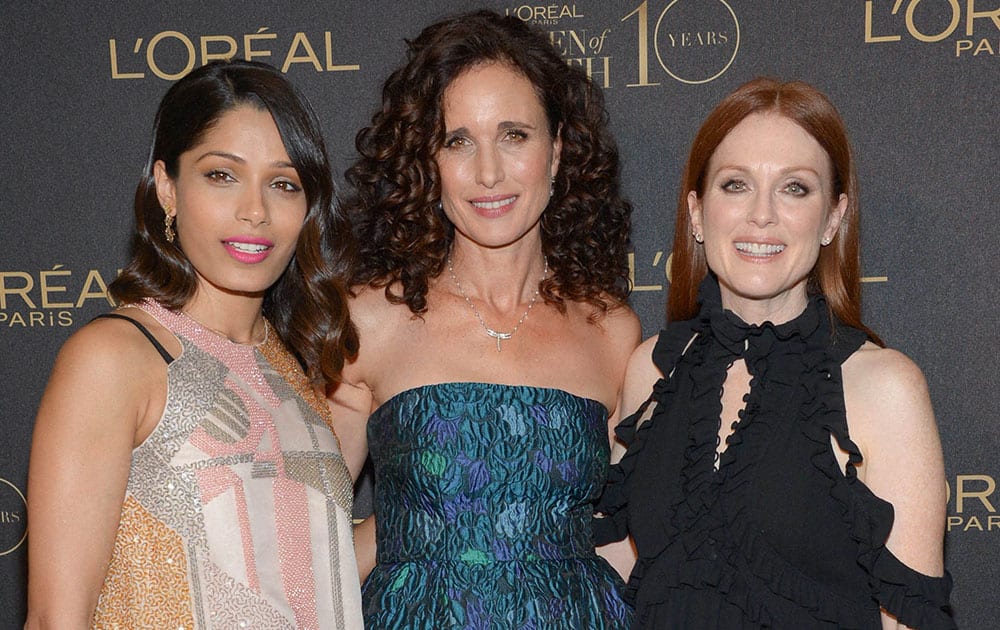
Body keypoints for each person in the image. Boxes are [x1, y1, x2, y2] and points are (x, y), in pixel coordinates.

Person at [595, 77, 955, 629]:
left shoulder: (884, 389)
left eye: (794, 188)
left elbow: (907, 621)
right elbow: (617, 572)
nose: (761, 215)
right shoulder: (651, 370)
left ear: (833, 217)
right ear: (696, 212)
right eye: (735, 185)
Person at [25, 60, 363, 629]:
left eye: (283, 184)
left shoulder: (296, 370)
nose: (255, 211)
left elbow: (307, 583)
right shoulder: (117, 357)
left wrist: (432, 517)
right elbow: (58, 618)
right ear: (166, 187)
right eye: (221, 175)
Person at [329, 10, 640, 629]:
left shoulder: (612, 333)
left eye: (515, 135)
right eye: (458, 140)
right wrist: (421, 529)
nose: (488, 172)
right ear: (428, 163)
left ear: (556, 153)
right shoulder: (367, 321)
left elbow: (622, 541)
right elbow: (310, 541)